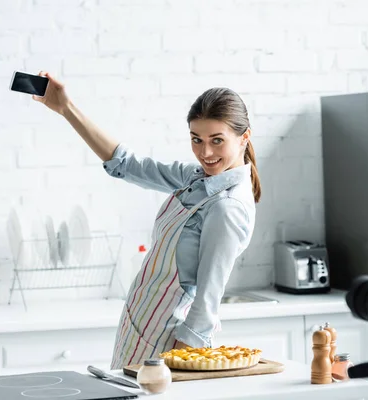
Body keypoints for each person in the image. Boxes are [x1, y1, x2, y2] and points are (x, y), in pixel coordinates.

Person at [33, 72, 260, 368]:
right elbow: (125, 164)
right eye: (196, 139)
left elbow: (208, 300)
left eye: (217, 141)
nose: (205, 152)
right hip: (139, 324)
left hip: (169, 342)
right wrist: (66, 108)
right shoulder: (195, 179)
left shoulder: (228, 207)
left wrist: (177, 361)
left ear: (244, 137)